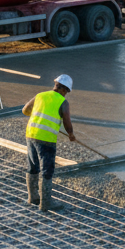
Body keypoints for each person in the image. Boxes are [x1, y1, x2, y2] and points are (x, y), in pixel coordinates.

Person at [22, 74, 76, 212]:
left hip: (31, 134)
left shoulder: (40, 95)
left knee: (33, 166)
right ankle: (45, 203)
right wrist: (70, 134)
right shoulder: (63, 102)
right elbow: (67, 121)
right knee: (47, 170)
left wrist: (39, 115)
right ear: (65, 90)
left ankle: (33, 198)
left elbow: (25, 110)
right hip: (46, 139)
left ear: (55, 84)